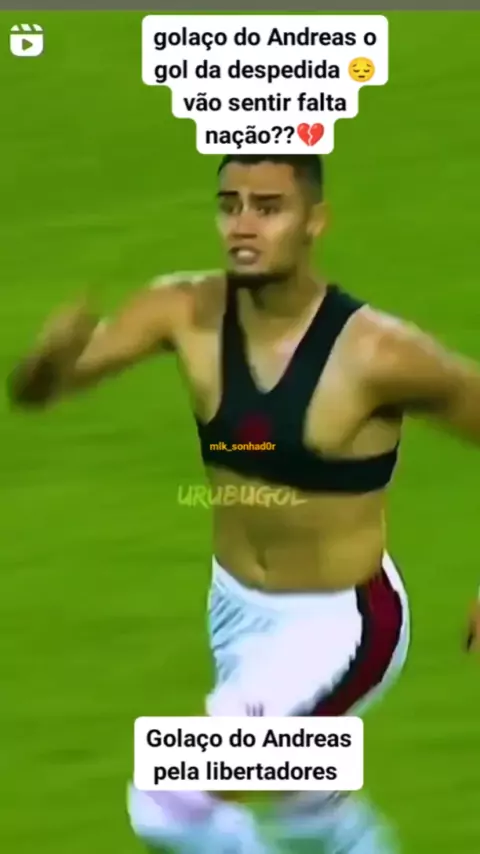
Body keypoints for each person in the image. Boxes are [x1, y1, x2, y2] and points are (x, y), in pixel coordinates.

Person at [7, 153, 480, 854]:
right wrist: (44, 363)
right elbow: (38, 394)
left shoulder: (379, 354)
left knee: (168, 800)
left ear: (315, 221)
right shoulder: (183, 311)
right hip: (234, 613)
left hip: (341, 629)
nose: (244, 225)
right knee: (309, 811)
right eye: (231, 206)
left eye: (269, 207)